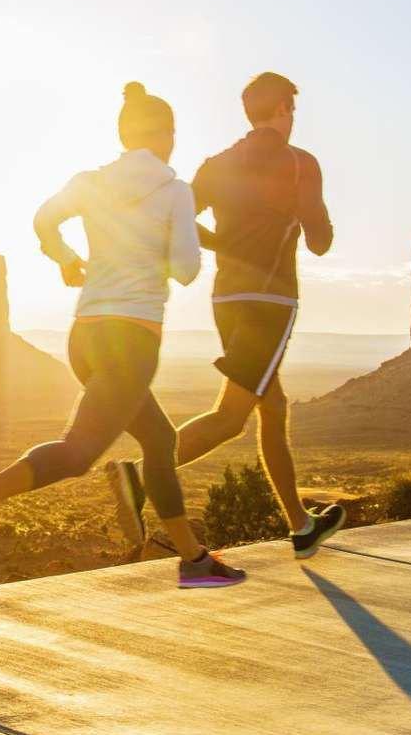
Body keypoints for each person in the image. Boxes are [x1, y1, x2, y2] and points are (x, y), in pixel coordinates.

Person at [0, 83, 246, 588]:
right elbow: (185, 268)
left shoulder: (91, 182)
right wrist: (165, 243)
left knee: (160, 439)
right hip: (131, 340)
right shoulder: (174, 190)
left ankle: (193, 559)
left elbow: (43, 220)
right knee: (78, 454)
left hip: (85, 336)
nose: (174, 143)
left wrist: (68, 258)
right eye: (173, 134)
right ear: (162, 135)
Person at [106, 71, 346, 559]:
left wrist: (224, 243)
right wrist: (312, 225)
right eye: (292, 109)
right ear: (282, 108)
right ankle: (140, 476)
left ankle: (301, 525)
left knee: (272, 406)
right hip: (271, 301)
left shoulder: (217, 164)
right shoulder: (300, 163)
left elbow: (179, 214)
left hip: (227, 300)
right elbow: (320, 240)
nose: (294, 118)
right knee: (231, 417)